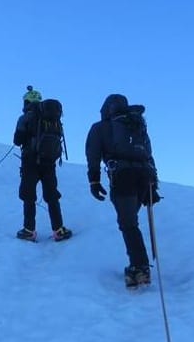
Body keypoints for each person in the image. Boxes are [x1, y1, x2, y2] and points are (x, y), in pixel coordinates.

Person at [85, 94, 160, 288]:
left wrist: (94, 181)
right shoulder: (136, 124)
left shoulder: (100, 128)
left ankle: (139, 267)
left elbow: (93, 155)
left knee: (128, 223)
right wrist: (154, 184)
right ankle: (139, 263)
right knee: (130, 222)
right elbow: (148, 154)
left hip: (123, 176)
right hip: (145, 177)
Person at [12, 100, 72, 242]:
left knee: (28, 194)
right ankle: (59, 229)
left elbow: (17, 140)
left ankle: (29, 230)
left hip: (30, 161)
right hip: (49, 162)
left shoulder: (25, 118)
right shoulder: (53, 117)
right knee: (52, 195)